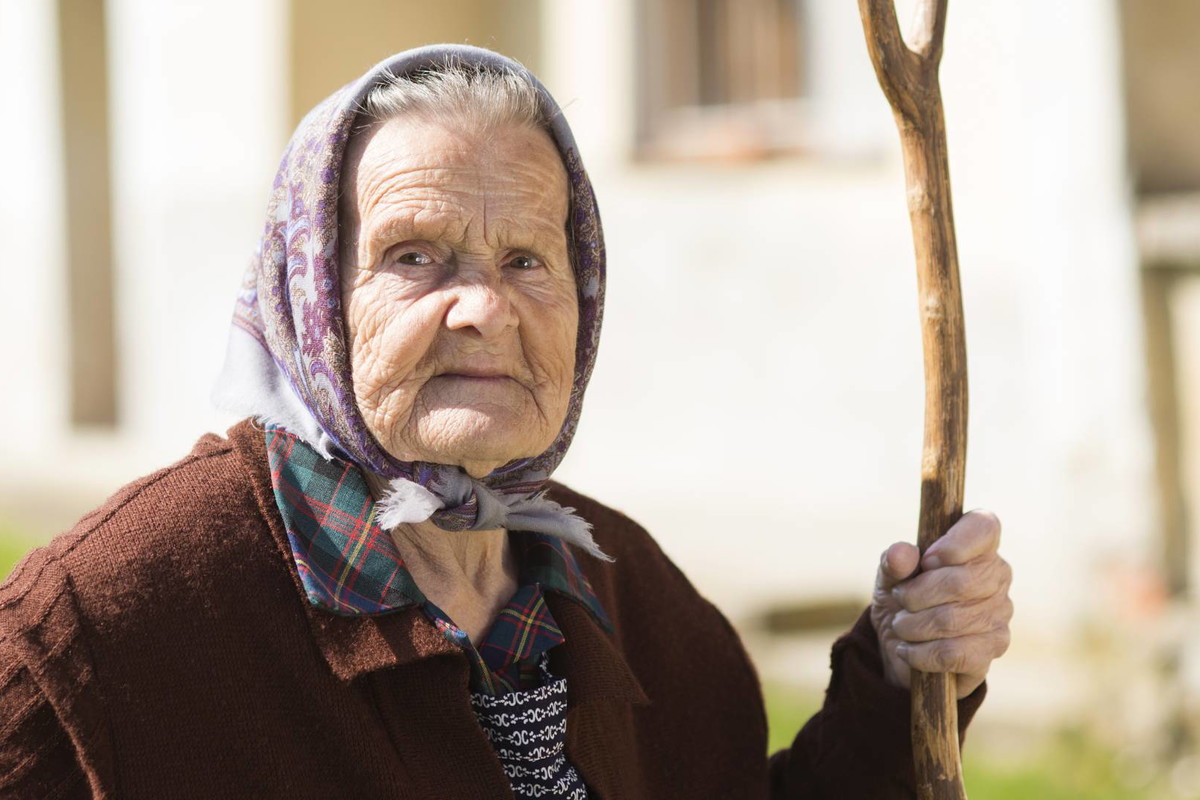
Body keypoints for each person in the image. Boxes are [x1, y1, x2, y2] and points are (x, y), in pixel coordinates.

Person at [0, 45, 1012, 799]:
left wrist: (900, 670)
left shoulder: (636, 600)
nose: (483, 306)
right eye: (414, 256)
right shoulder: (102, 629)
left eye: (528, 260)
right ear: (310, 296)